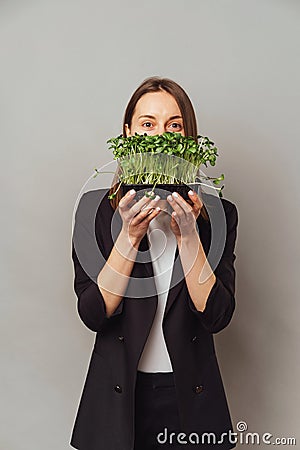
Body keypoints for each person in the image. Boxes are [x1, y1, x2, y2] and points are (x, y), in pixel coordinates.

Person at [70, 77, 239, 450]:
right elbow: (95, 314)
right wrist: (129, 238)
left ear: (189, 140)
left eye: (174, 126)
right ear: (128, 134)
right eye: (147, 124)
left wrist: (188, 236)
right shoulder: (95, 212)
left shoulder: (218, 216)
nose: (160, 136)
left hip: (190, 400)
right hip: (117, 401)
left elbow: (217, 316)